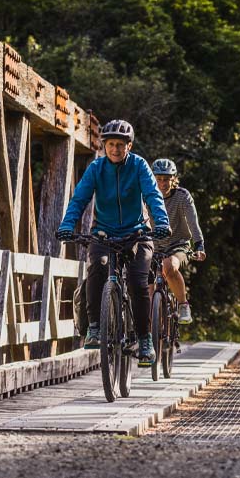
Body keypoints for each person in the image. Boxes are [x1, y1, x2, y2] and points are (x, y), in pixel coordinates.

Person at [56, 120, 171, 367]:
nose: (115, 150)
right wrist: (67, 225)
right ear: (104, 146)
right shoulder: (97, 168)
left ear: (129, 146)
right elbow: (79, 199)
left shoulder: (139, 166)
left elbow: (152, 195)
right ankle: (95, 328)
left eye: (120, 145)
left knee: (138, 282)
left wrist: (161, 222)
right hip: (104, 234)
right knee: (97, 267)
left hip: (137, 233)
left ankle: (144, 340)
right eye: (110, 145)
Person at [150, 158, 207, 324]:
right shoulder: (147, 195)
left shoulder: (182, 196)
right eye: (159, 179)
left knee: (169, 267)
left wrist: (199, 244)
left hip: (178, 245)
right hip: (153, 246)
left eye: (166, 179)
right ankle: (150, 330)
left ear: (173, 179)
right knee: (144, 283)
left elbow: (192, 221)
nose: (162, 183)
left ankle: (183, 305)